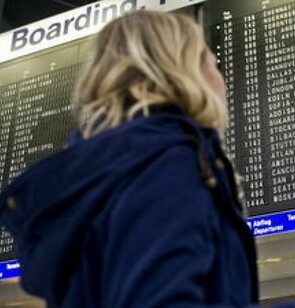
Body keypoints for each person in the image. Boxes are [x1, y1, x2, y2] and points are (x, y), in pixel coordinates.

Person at [0, 10, 259, 307]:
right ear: (187, 72)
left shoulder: (101, 181)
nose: (222, 79)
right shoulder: (165, 163)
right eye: (212, 62)